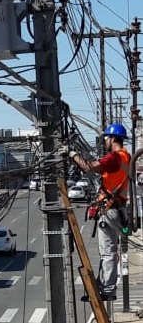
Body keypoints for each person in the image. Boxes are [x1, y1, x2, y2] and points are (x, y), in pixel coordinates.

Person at [69, 123, 131, 301]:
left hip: (110, 208)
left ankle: (107, 289)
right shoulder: (126, 157)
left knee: (108, 252)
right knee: (109, 251)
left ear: (112, 138)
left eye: (106, 138)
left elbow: (88, 166)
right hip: (118, 208)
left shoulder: (114, 157)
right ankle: (103, 286)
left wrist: (72, 154)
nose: (105, 141)